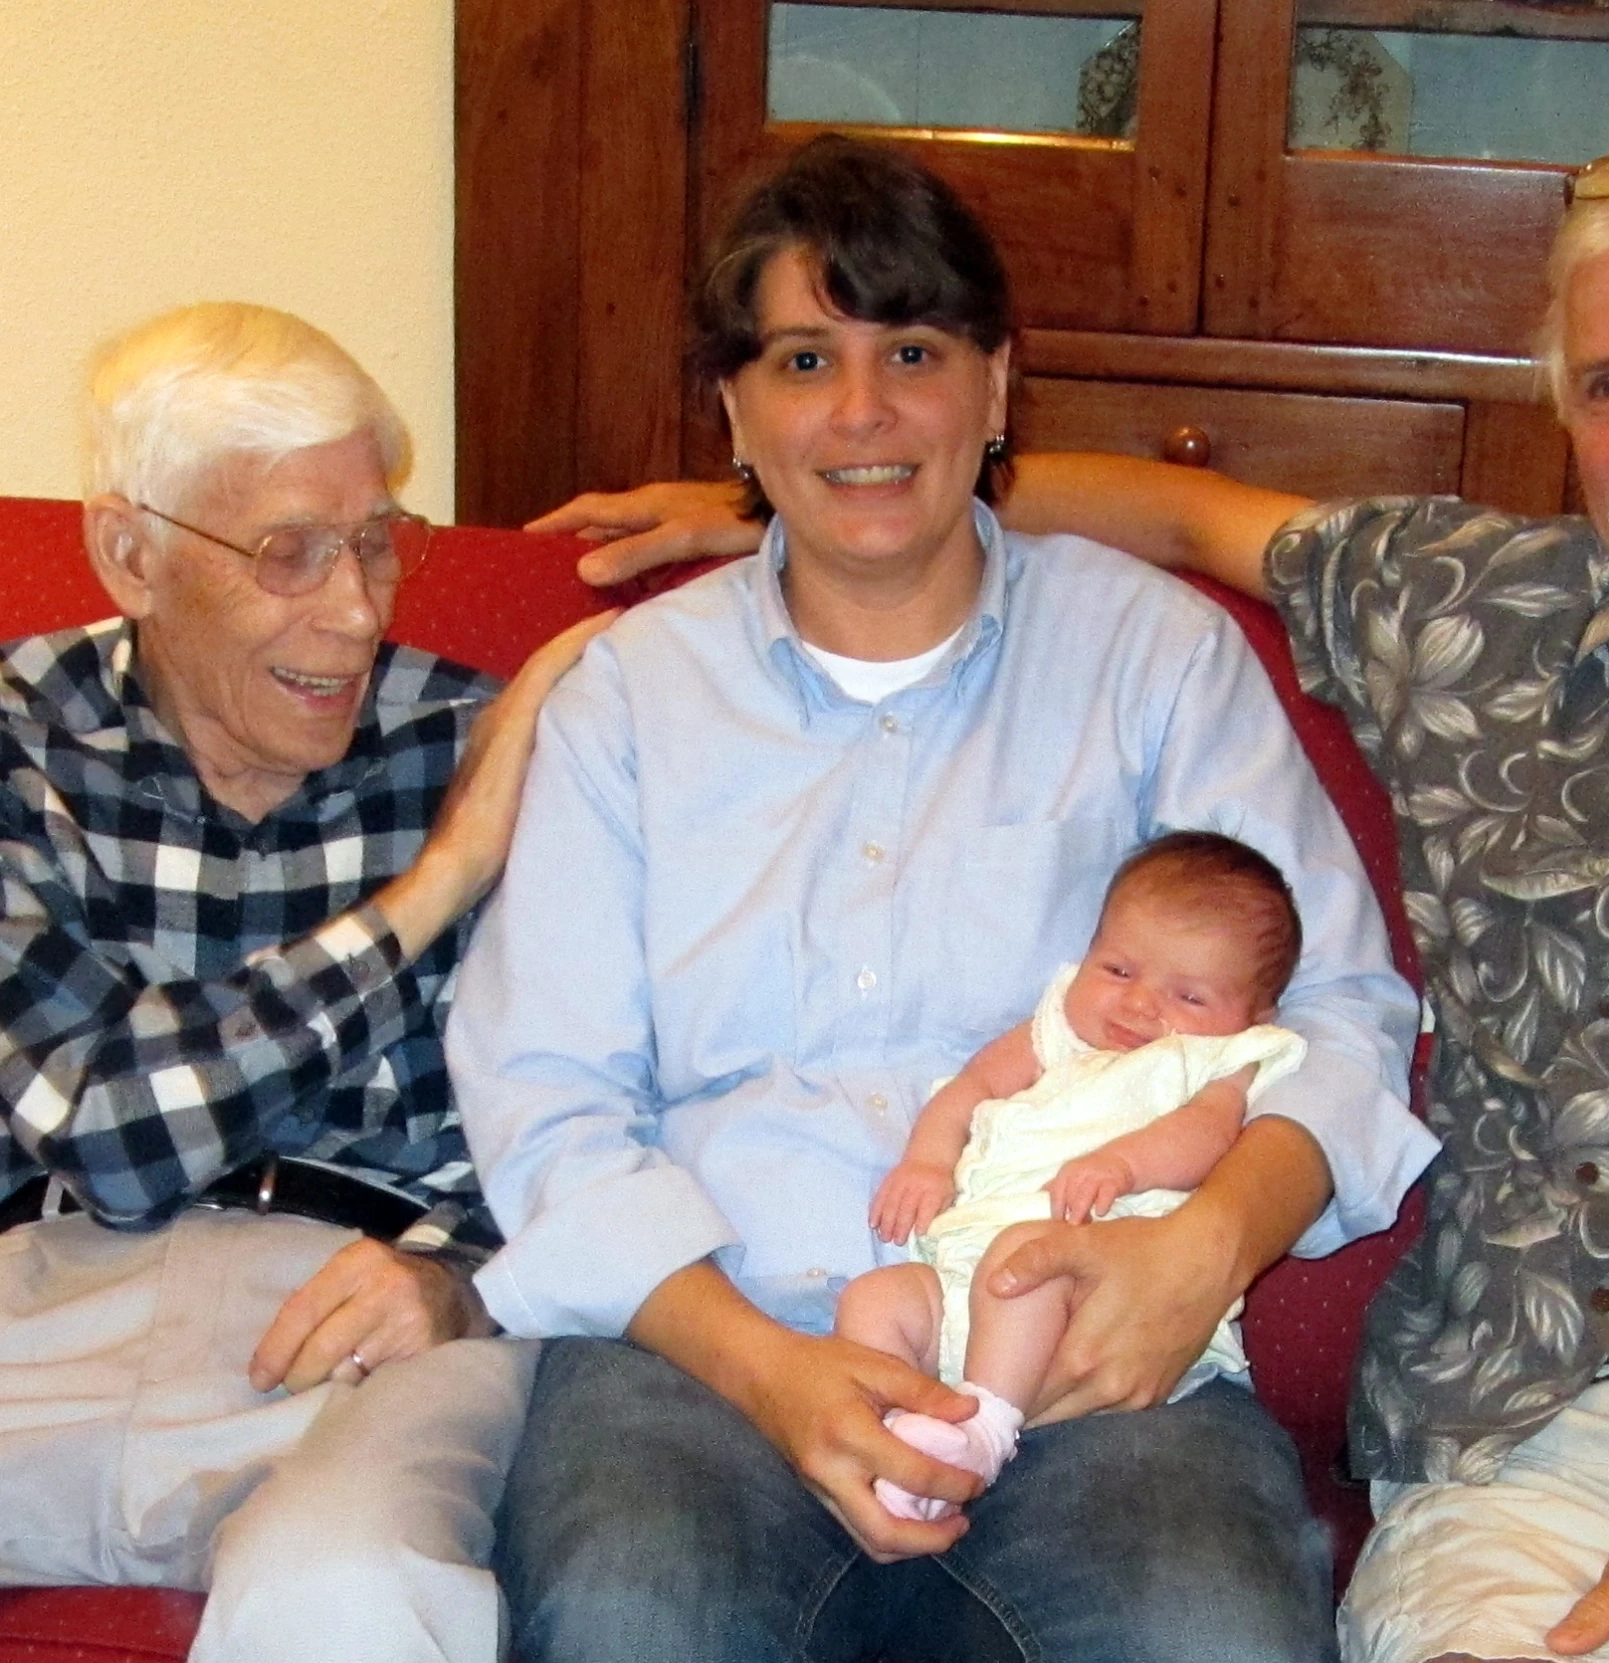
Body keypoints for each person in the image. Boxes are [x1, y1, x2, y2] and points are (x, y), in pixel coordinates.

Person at [538, 144, 1609, 1663]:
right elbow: (1188, 513)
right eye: (1607, 385)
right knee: (631, 1610)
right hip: (1504, 1430)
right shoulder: (1468, 609)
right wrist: (826, 493)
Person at [448, 134, 1430, 1663]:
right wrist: (771, 1367)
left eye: (911, 349)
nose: (860, 411)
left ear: (993, 388)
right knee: (635, 1620)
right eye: (800, 357)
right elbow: (545, 1091)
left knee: (1208, 1639)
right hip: (714, 1339)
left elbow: (1346, 1013)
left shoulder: (1153, 660)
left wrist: (1205, 1246)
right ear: (735, 408)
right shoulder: (629, 698)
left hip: (1092, 1345)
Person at [0, 302, 612, 1663]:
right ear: (131, 552)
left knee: (346, 1590)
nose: (355, 611)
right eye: (289, 553)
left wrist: (464, 1277)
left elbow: (601, 1094)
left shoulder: (497, 737)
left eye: (374, 542)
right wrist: (433, 888)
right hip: (28, 1307)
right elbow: (110, 1130)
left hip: (368, 1319)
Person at [841, 830, 1310, 1522]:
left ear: (1252, 1016)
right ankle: (896, 1440)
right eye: (1118, 970)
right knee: (876, 1297)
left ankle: (986, 1434)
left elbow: (1209, 1133)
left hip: (1090, 1294)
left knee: (1022, 1263)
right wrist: (929, 1158)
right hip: (963, 1272)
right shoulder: (1058, 1028)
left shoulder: (1215, 1060)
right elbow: (972, 1085)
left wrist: (1123, 1163)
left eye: (1188, 994)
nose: (1140, 1004)